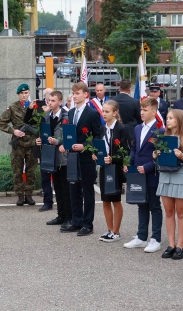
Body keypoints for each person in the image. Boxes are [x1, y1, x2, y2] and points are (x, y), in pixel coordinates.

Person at [123, 98, 164, 253]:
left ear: (154, 112)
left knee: (154, 205)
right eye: (141, 109)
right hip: (138, 172)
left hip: (151, 173)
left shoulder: (160, 130)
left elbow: (160, 155)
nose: (142, 112)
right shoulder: (138, 128)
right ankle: (141, 237)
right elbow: (134, 149)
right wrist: (129, 163)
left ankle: (156, 239)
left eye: (145, 110)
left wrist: (147, 167)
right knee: (141, 204)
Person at [155, 109, 183, 260]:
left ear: (179, 120)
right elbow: (160, 160)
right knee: (168, 212)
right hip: (165, 178)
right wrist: (156, 156)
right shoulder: (163, 138)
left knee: (181, 213)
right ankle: (171, 244)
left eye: (171, 118)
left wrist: (182, 156)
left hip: (181, 178)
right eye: (167, 118)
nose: (168, 120)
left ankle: (180, 245)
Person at [62, 82, 102, 236]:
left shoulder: (92, 113)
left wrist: (85, 146)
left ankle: (88, 224)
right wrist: (66, 143)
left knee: (87, 191)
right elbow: (69, 133)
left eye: (77, 93)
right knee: (74, 189)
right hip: (72, 157)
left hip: (85, 157)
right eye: (73, 93)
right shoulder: (71, 113)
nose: (74, 95)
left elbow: (98, 135)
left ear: (86, 95)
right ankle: (76, 221)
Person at [95, 100, 129, 242]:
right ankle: (109, 229)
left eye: (107, 111)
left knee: (115, 199)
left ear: (115, 113)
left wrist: (113, 159)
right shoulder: (103, 129)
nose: (104, 114)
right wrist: (96, 155)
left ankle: (116, 231)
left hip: (115, 168)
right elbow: (102, 147)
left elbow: (126, 151)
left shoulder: (121, 129)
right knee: (105, 200)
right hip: (104, 167)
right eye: (103, 111)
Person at [0, 84, 39, 206]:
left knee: (31, 170)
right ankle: (20, 196)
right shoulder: (12, 108)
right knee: (17, 170)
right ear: (18, 94)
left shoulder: (36, 107)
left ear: (29, 93)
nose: (24, 95)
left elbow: (41, 122)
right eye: (22, 93)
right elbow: (2, 123)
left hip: (32, 144)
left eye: (26, 93)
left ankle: (29, 195)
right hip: (18, 144)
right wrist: (13, 131)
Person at [40, 91, 73, 227]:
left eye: (53, 101)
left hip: (63, 157)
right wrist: (40, 140)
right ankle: (60, 215)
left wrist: (58, 141)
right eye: (49, 100)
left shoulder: (66, 116)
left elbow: (69, 137)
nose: (50, 103)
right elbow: (44, 134)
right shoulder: (47, 117)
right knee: (57, 188)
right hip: (52, 156)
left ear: (60, 102)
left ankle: (69, 217)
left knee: (66, 189)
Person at [111, 79, 142, 143]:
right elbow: (139, 118)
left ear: (119, 88)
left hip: (116, 131)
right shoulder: (134, 102)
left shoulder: (112, 101)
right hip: (131, 132)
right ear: (129, 89)